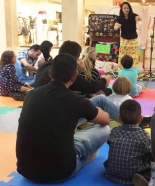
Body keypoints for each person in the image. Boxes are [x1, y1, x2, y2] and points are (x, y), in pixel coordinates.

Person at [16, 53, 111, 183]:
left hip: (25, 170)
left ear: (50, 73)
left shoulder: (31, 94)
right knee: (105, 129)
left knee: (99, 100)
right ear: (74, 77)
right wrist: (98, 112)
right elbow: (105, 120)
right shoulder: (75, 100)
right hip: (61, 172)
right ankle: (130, 121)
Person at [35, 40, 110, 95]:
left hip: (41, 105)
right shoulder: (65, 70)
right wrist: (105, 80)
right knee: (102, 99)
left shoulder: (45, 65)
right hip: (56, 108)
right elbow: (91, 87)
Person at [104, 100, 152, 185]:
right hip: (134, 174)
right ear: (140, 118)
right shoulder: (143, 135)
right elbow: (151, 153)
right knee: (153, 164)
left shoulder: (114, 132)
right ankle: (143, 179)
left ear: (119, 117)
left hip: (111, 174)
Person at [114, 2, 142, 68]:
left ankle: (134, 69)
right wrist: (117, 26)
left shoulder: (133, 15)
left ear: (129, 9)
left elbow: (140, 18)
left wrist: (138, 18)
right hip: (124, 40)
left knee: (133, 56)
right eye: (124, 8)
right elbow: (115, 27)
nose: (126, 9)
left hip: (133, 40)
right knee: (123, 55)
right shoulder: (119, 18)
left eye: (127, 8)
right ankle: (122, 70)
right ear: (122, 9)